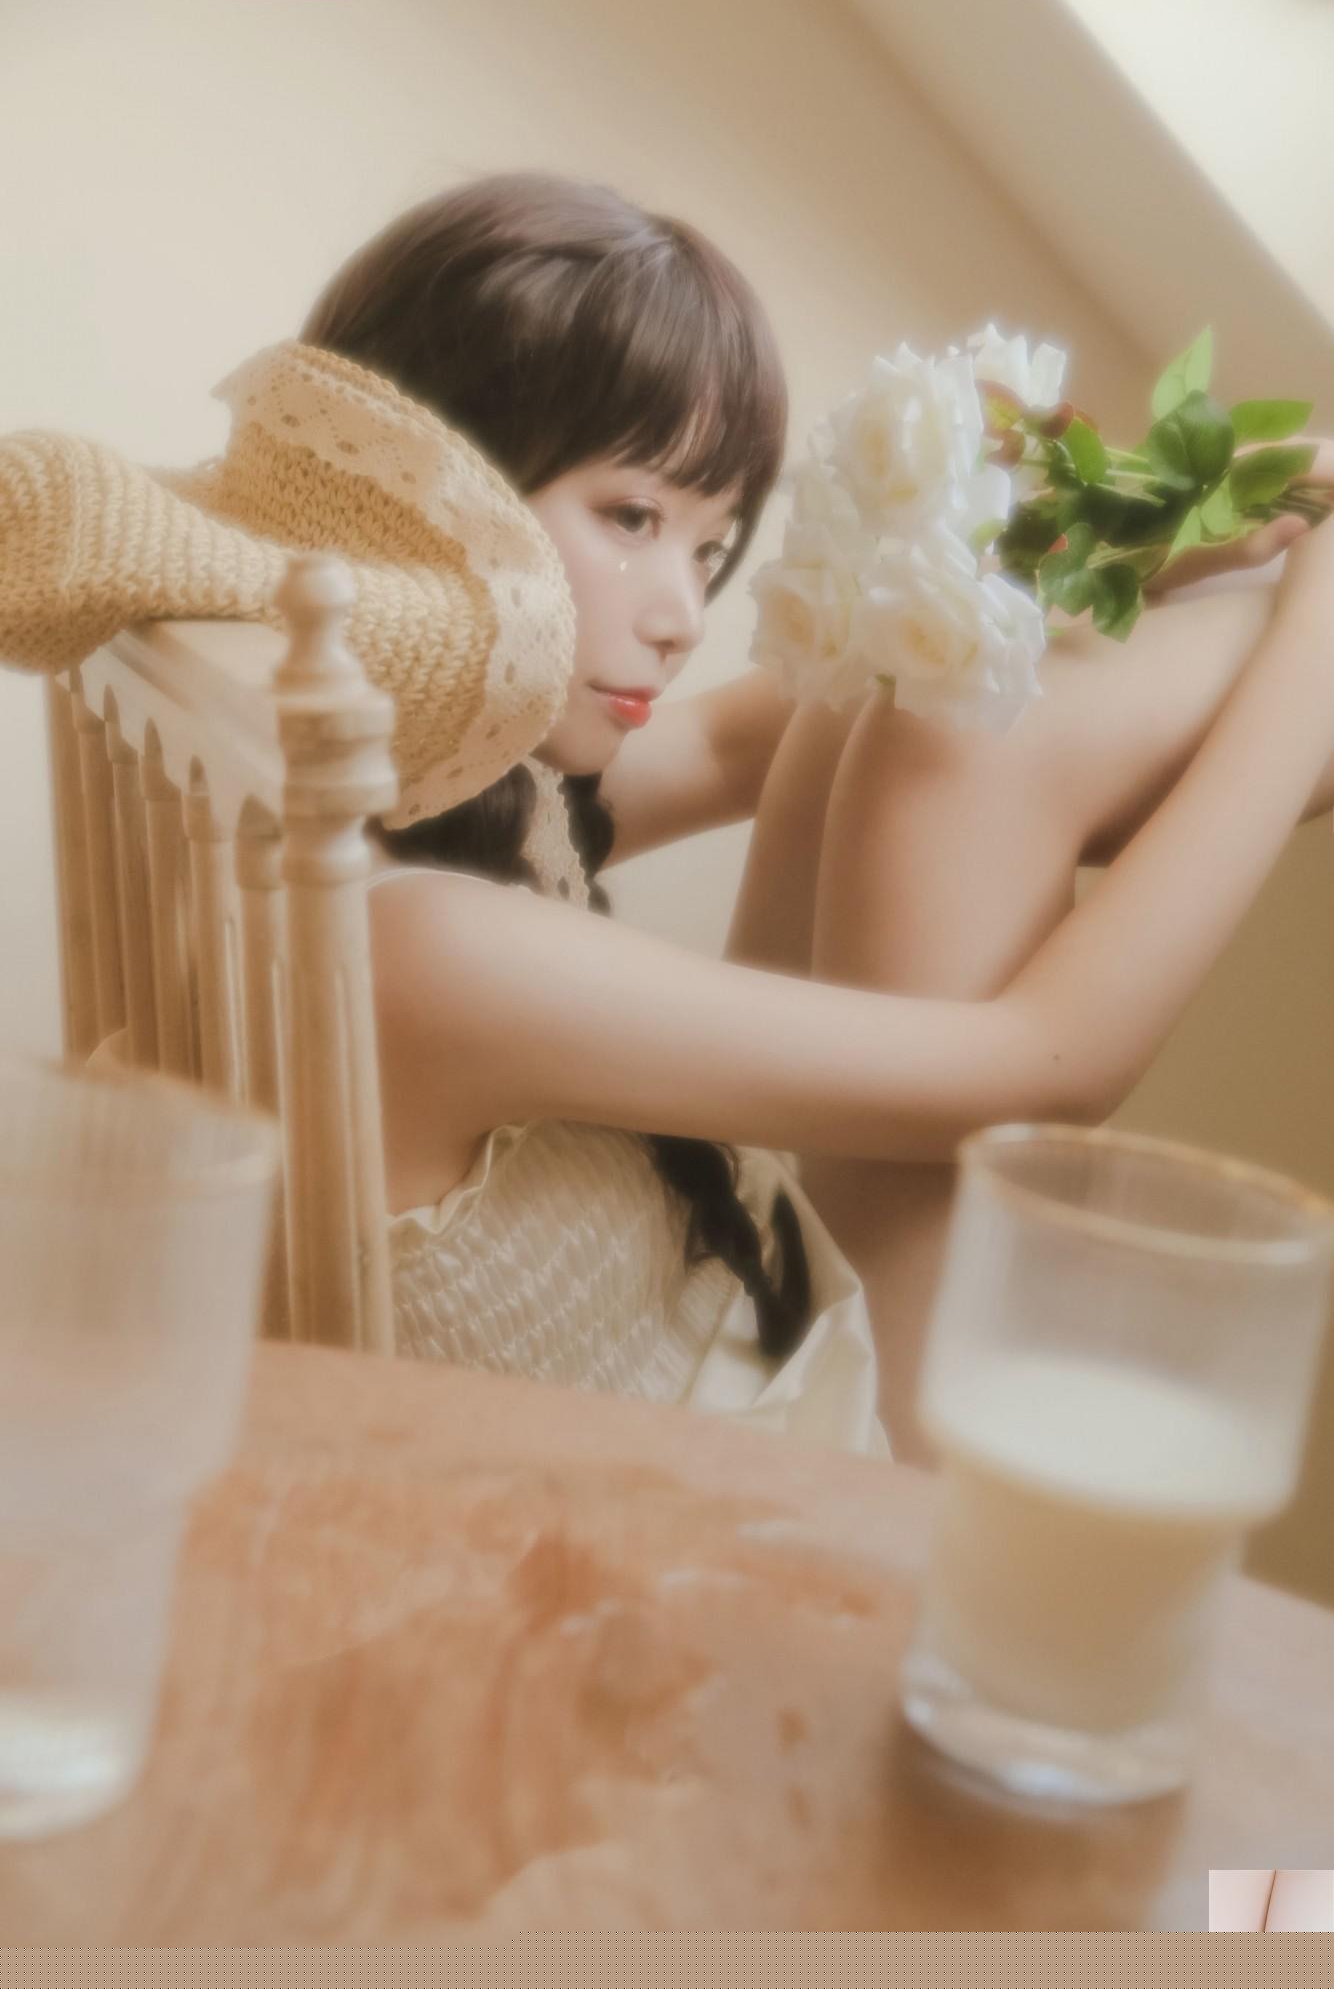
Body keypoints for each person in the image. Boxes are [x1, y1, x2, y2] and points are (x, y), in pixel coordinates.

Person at [294, 169, 1334, 1460]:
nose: (682, 615)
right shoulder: (427, 949)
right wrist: (1315, 634)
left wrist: (1172, 526)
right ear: (416, 484)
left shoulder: (401, 794)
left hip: (744, 1328)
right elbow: (1049, 1065)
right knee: (957, 742)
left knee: (893, 701)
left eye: (707, 546)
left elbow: (762, 725)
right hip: (768, 1496)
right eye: (631, 518)